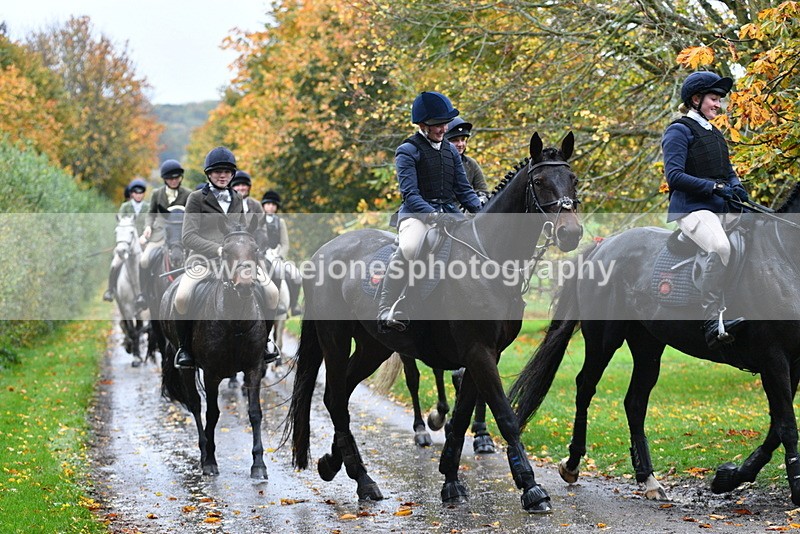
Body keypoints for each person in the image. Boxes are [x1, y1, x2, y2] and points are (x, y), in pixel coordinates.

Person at [377, 91, 482, 332]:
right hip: (417, 215)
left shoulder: (451, 151)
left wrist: (483, 211)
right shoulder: (407, 150)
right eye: (438, 125)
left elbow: (464, 190)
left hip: (449, 213)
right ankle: (389, 305)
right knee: (411, 247)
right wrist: (433, 215)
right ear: (423, 125)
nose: (444, 129)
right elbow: (410, 195)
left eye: (445, 123)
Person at [171, 146, 280, 369]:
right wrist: (217, 250)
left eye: (227, 172)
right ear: (209, 174)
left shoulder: (238, 198)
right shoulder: (195, 199)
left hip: (237, 262)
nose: (223, 175)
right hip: (203, 260)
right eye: (218, 171)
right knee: (182, 296)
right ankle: (185, 349)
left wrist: (247, 249)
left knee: (272, 292)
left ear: (232, 174)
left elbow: (241, 231)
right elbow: (188, 236)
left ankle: (265, 343)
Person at [663, 71, 749, 349]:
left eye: (720, 100)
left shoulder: (715, 134)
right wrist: (713, 188)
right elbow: (674, 177)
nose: (718, 105)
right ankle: (712, 320)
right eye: (714, 99)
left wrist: (736, 187)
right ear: (696, 99)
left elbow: (728, 171)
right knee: (720, 248)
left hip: (721, 206)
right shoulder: (679, 130)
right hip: (691, 209)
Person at [103, 178, 150, 309]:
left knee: (150, 263)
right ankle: (110, 290)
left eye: (141, 193)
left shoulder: (148, 207)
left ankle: (148, 291)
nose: (138, 195)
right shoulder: (125, 207)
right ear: (132, 194)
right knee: (115, 263)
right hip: (126, 243)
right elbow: (120, 225)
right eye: (136, 192)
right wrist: (122, 243)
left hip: (143, 242)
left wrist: (145, 237)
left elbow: (150, 223)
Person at [140, 159, 192, 271]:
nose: (174, 181)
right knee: (144, 260)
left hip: (179, 236)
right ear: (164, 179)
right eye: (170, 178)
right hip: (159, 235)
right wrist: (148, 226)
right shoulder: (157, 194)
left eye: (176, 178)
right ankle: (145, 288)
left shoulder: (188, 194)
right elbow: (151, 213)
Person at [261, 190, 302, 316]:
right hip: (261, 254)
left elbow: (285, 243)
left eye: (274, 205)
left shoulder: (280, 222)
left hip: (275, 253)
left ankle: (292, 305)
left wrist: (280, 256)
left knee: (296, 275)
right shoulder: (256, 220)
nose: (271, 207)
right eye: (268, 204)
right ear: (263, 205)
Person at [444, 116, 489, 204]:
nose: (460, 144)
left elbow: (483, 191)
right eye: (455, 140)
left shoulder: (471, 164)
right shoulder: (435, 162)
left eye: (463, 140)